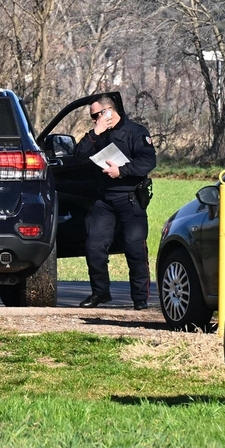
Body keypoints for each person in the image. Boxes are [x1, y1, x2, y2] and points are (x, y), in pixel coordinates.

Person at [72, 95, 157, 310]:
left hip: (130, 196)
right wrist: (95, 133)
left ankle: (140, 299)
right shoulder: (96, 134)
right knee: (94, 245)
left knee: (134, 247)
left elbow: (148, 161)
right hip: (104, 198)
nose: (93, 120)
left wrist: (122, 171)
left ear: (108, 111)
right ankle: (100, 293)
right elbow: (78, 158)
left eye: (95, 116)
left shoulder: (135, 132)